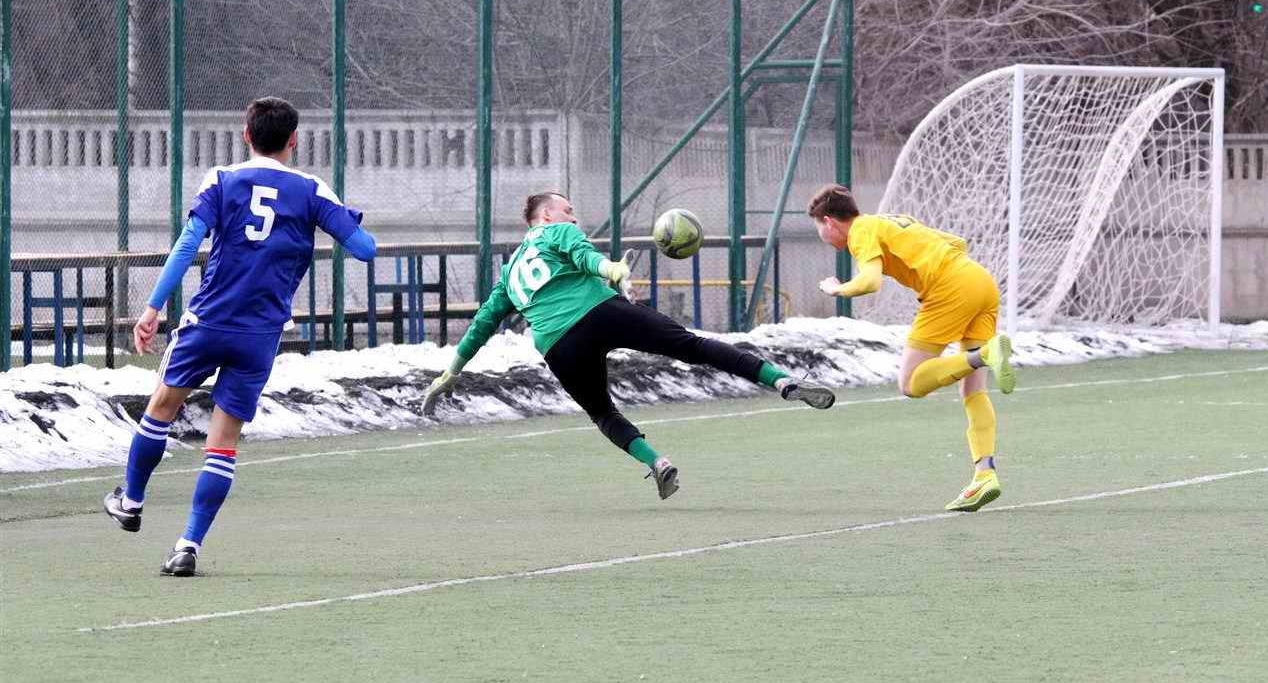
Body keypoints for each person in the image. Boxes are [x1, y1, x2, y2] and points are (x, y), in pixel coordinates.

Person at [102, 97, 377, 576]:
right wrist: (341, 220)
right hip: (260, 333)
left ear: (246, 135)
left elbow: (188, 244)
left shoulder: (221, 179)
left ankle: (131, 501)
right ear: (294, 140)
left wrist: (152, 308)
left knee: (161, 407)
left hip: (208, 321)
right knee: (224, 441)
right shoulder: (311, 189)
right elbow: (365, 250)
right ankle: (188, 545)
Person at [421, 192, 836, 499]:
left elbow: (483, 322)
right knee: (693, 346)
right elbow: (585, 256)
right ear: (545, 215)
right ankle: (782, 382)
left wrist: (451, 371)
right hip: (599, 311)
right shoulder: (556, 231)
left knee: (602, 413)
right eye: (567, 209)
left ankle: (656, 461)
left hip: (557, 346)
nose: (573, 216)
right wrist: (612, 268)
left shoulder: (510, 272)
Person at [809, 183, 1015, 513]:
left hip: (950, 289)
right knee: (973, 390)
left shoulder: (861, 230)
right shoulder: (892, 220)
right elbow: (957, 243)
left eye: (819, 228)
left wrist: (836, 289)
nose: (822, 236)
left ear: (829, 222)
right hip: (980, 281)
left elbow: (870, 281)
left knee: (911, 383)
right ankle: (984, 474)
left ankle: (985, 355)